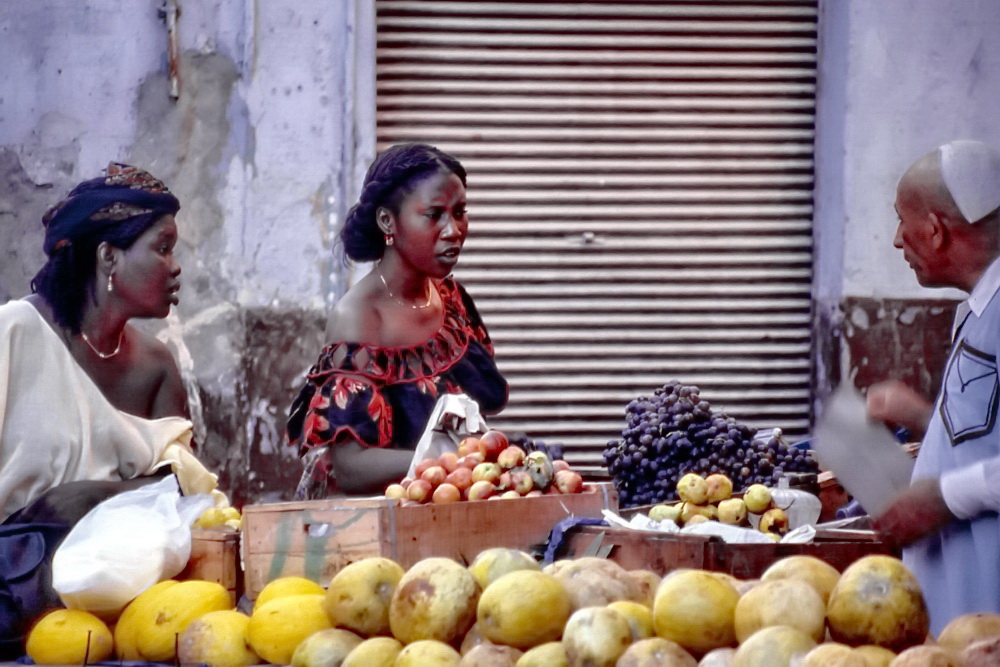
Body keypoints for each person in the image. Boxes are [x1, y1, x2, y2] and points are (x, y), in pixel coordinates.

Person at [0, 162, 221, 655]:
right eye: (162, 248)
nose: (176, 265)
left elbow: (184, 491)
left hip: (129, 619)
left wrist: (88, 495)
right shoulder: (15, 332)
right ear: (108, 257)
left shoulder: (157, 365)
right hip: (14, 601)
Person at [287, 143, 509, 497]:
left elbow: (486, 403)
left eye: (460, 211)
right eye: (434, 215)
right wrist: (454, 457)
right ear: (388, 221)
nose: (453, 230)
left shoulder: (451, 299)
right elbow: (351, 468)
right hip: (381, 524)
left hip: (449, 504)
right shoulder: (359, 319)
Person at [865, 139, 1000, 635]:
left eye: (902, 220)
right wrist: (926, 418)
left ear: (936, 230)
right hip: (955, 614)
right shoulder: (980, 308)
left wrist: (943, 497)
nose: (898, 240)